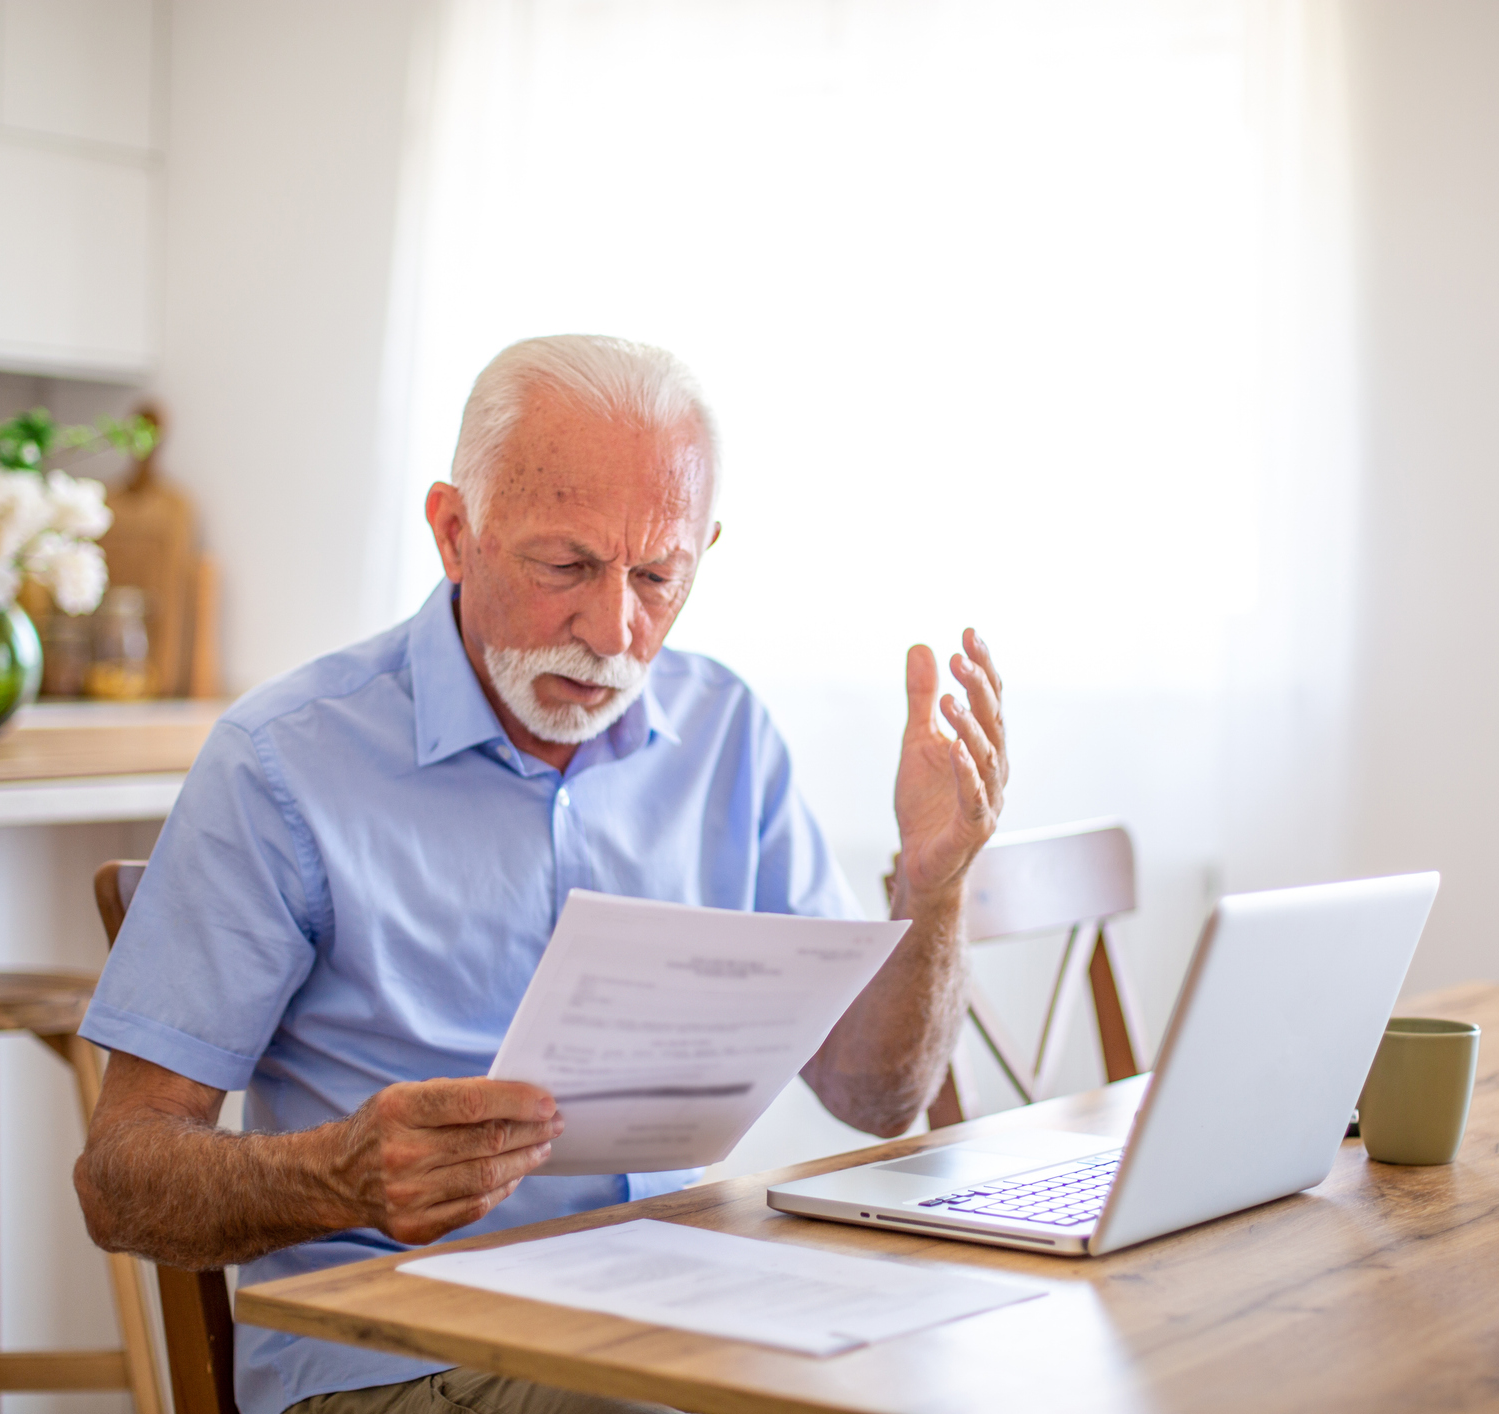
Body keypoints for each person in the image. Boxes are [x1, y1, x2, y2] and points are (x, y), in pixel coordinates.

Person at [73, 335, 1009, 1414]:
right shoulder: (284, 761)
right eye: (564, 566)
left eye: (660, 577)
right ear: (454, 533)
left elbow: (875, 1095)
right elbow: (121, 1180)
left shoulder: (726, 731)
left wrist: (934, 888)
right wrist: (336, 1172)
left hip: (676, 1314)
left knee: (969, 1363)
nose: (615, 630)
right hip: (397, 1358)